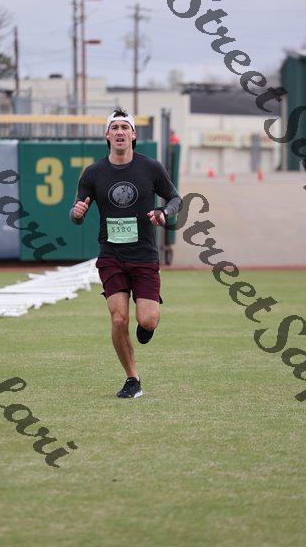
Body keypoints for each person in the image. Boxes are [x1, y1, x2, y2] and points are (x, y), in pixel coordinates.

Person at [70, 109, 181, 398]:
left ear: (133, 134)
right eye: (114, 127)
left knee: (147, 320)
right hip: (111, 256)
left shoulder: (151, 168)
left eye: (124, 127)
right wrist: (77, 213)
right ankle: (132, 379)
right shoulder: (93, 173)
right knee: (119, 319)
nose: (119, 132)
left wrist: (163, 212)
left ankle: (149, 321)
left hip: (143, 255)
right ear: (107, 135)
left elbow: (175, 198)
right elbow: (76, 214)